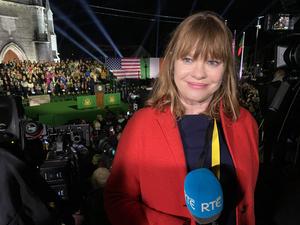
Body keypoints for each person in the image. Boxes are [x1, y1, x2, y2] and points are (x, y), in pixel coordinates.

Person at [104, 11, 259, 225]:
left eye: (213, 62)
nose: (199, 73)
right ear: (172, 63)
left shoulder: (245, 123)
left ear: (225, 70)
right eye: (188, 59)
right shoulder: (142, 125)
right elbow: (117, 199)